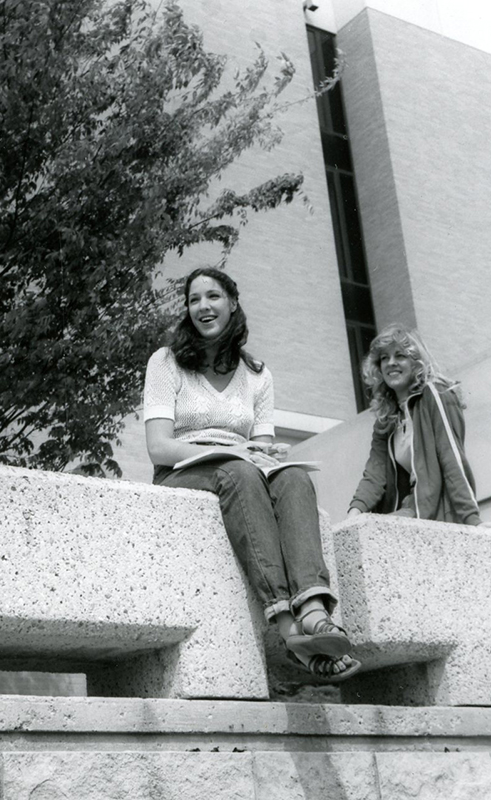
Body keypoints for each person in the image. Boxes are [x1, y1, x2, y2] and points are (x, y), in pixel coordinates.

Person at [143, 267, 360, 683]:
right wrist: (231, 449)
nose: (203, 306)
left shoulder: (258, 374)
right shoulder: (166, 362)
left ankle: (314, 612)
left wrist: (269, 454)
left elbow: (260, 448)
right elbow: (159, 446)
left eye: (213, 296)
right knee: (240, 472)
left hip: (242, 467)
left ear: (233, 303)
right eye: (194, 300)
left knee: (294, 478)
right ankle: (287, 627)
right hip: (184, 471)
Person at [346, 324, 491, 534]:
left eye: (400, 355)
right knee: (363, 530)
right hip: (407, 510)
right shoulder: (386, 417)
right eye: (384, 358)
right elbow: (374, 474)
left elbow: (451, 457)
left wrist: (472, 519)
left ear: (415, 362)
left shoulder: (435, 393)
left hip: (434, 511)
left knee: (374, 531)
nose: (391, 363)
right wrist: (353, 515)